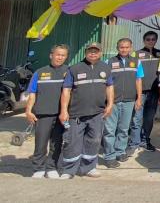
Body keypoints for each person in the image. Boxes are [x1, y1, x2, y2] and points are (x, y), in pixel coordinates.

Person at [58, 42, 114, 179]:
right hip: (76, 114)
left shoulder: (106, 68)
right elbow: (66, 90)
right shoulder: (75, 68)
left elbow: (109, 87)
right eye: (90, 51)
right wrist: (64, 110)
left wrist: (110, 104)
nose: (93, 53)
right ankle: (69, 170)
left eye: (96, 51)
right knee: (72, 142)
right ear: (85, 52)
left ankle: (88, 168)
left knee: (94, 141)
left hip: (97, 113)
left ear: (101, 53)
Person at [25, 44, 69, 179]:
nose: (60, 57)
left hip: (60, 114)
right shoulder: (40, 72)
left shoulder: (69, 72)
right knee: (40, 142)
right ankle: (38, 168)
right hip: (43, 114)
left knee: (57, 142)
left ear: (66, 57)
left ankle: (51, 167)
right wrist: (28, 111)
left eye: (63, 55)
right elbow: (32, 93)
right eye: (57, 54)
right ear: (51, 55)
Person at [103, 38, 144, 168]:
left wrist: (138, 98)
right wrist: (108, 101)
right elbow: (105, 83)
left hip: (129, 101)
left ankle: (120, 151)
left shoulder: (136, 62)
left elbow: (138, 80)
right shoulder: (109, 62)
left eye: (126, 47)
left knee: (124, 129)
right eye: (121, 47)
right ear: (117, 48)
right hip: (112, 102)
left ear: (131, 48)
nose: (124, 49)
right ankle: (109, 156)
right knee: (110, 130)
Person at [130, 31, 160, 153]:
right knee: (137, 118)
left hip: (154, 92)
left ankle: (145, 141)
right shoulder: (136, 54)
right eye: (148, 39)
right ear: (144, 40)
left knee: (149, 119)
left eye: (153, 39)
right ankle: (134, 143)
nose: (150, 41)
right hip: (140, 92)